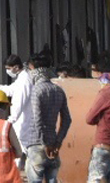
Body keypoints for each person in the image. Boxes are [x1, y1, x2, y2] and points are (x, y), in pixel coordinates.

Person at [24, 54, 69, 183]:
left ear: (34, 69)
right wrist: (58, 142)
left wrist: (44, 144)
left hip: (36, 145)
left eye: (30, 69)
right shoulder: (58, 90)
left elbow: (37, 120)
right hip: (53, 146)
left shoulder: (36, 91)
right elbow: (67, 120)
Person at [83, 60, 110, 183]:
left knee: (95, 179)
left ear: (102, 74)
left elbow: (89, 119)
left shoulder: (105, 94)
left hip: (102, 146)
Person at [0, 56, 39, 167]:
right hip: (22, 120)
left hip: (22, 121)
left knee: (22, 149)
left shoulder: (24, 80)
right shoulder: (22, 78)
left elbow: (19, 102)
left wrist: (11, 119)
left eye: (8, 68)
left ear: (16, 67)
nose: (8, 71)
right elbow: (10, 90)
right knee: (22, 150)